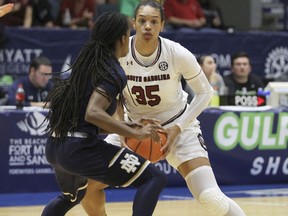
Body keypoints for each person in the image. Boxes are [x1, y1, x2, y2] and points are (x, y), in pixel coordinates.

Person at [82, 1, 246, 216]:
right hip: (134, 130)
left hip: (178, 127)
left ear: (162, 25)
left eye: (154, 21)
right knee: (86, 188)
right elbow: (114, 95)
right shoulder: (120, 53)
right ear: (133, 23)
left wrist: (177, 128)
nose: (147, 26)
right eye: (142, 21)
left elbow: (206, 93)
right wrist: (122, 127)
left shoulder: (177, 53)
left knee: (210, 197)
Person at [41, 11, 167, 216]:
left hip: (56, 146)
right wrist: (135, 134)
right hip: (78, 149)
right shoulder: (112, 70)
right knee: (154, 179)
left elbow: (87, 117)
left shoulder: (87, 65)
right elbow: (93, 113)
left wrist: (129, 127)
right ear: (123, 38)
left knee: (71, 197)